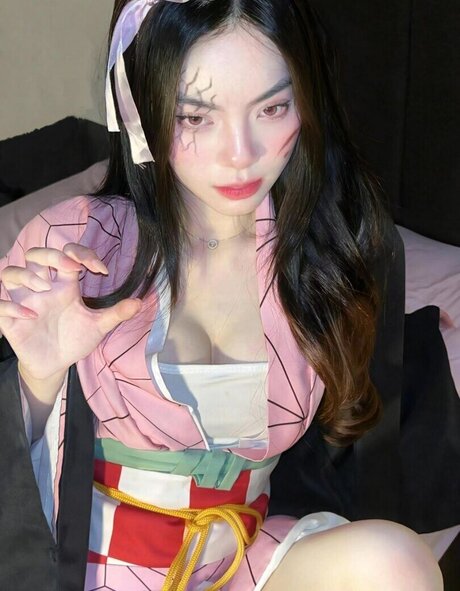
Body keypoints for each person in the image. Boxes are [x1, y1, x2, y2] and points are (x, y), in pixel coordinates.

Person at [0, 0, 444, 589]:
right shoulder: (76, 243)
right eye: (196, 116)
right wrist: (37, 379)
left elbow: (355, 457)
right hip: (95, 565)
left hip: (241, 558)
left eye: (272, 107)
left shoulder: (331, 249)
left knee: (396, 565)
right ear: (138, 110)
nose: (241, 154)